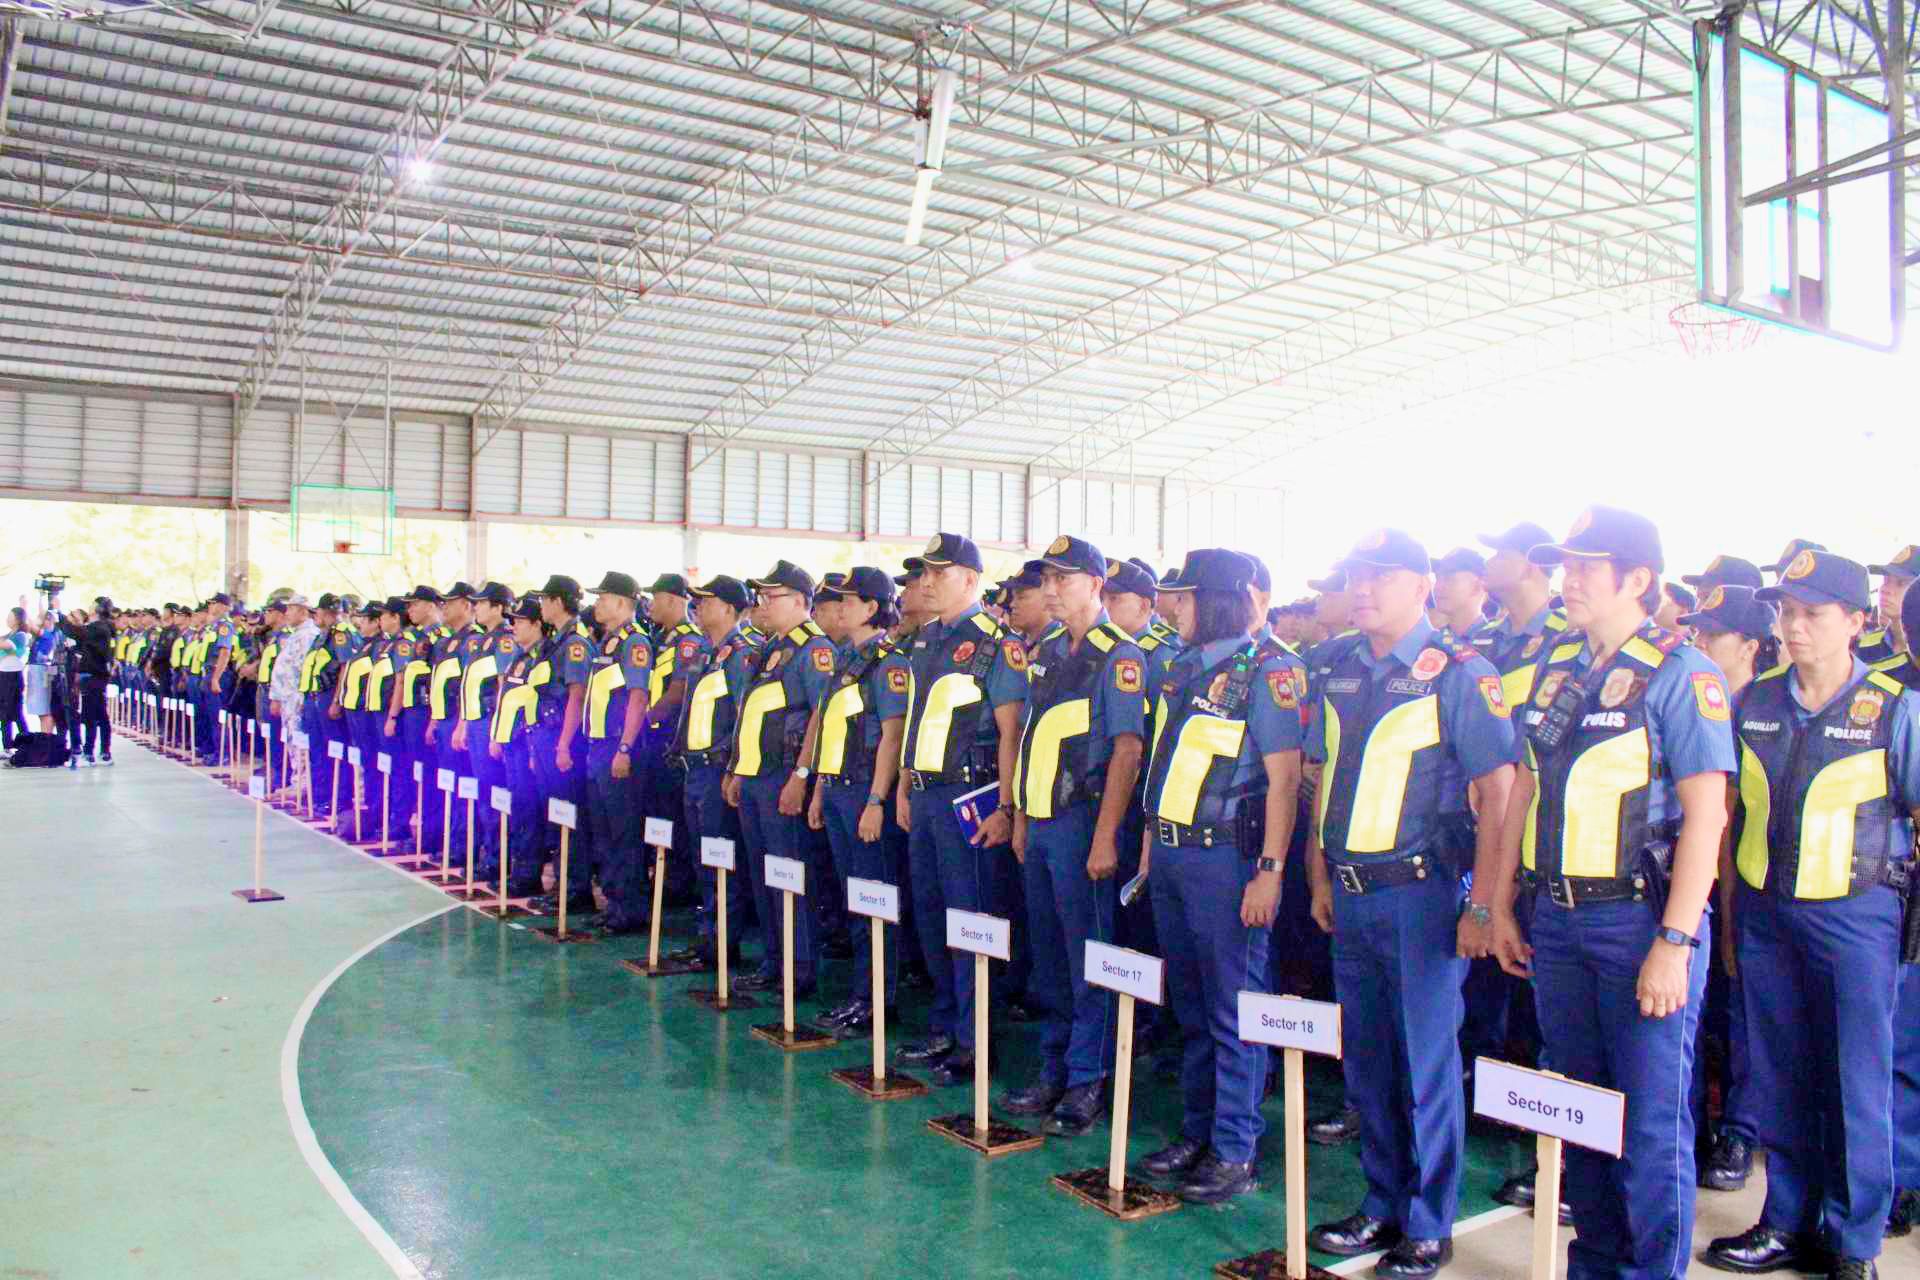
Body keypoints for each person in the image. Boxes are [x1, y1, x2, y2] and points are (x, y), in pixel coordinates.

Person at [1492, 507, 1735, 1280]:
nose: (1568, 580)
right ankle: (1594, 1264)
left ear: (1637, 580)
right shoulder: (1561, 667)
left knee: (1651, 1125)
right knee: (1584, 1111)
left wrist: (1675, 943)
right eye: (1565, 566)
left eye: (1586, 568)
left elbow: (1708, 817)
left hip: (1639, 924)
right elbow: (1524, 788)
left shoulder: (1681, 673)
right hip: (1557, 921)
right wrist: (1499, 902)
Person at [1301, 531, 1515, 1278]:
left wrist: (1483, 905)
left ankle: (1428, 1221)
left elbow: (1499, 794)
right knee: (1367, 1062)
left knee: (1425, 1064)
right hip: (1351, 893)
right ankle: (1381, 1200)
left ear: (1423, 586)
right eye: (1356, 576)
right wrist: (1319, 876)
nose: (1363, 589)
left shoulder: (1459, 672)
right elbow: (1324, 777)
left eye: (1382, 577)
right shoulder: (1340, 667)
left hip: (1421, 896)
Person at [1702, 551, 1919, 1280]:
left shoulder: (1894, 707)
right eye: (1787, 613)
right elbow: (1730, 816)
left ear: (1856, 621)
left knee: (1856, 1081)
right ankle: (1786, 1221)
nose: (1794, 628)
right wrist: (1731, 921)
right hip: (1765, 913)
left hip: (1858, 919)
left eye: (1813, 614)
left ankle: (1853, 1244)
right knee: (1780, 1072)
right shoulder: (1755, 702)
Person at [1131, 548, 1303, 1204]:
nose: (1173, 608)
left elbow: (1284, 781)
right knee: (1193, 1004)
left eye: (1185, 597)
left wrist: (1270, 872)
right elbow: (1165, 763)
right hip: (1174, 854)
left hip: (1228, 861)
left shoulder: (1269, 671)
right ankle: (1198, 1130)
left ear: (1219, 601)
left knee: (1234, 1008)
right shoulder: (1182, 666)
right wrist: (1151, 846)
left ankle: (1234, 1148)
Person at [998, 536, 1145, 1138]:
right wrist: (1021, 817)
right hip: (1041, 821)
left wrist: (1106, 837)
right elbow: (1032, 737)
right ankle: (1053, 1065)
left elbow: (1127, 752)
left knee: (1089, 954)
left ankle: (1088, 1078)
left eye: (1063, 579)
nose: (1051, 590)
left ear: (1095, 585)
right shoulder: (1051, 650)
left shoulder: (1120, 656)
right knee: (1052, 954)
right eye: (1046, 580)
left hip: (1084, 823)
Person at [892, 533, 1028, 1088]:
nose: (926, 583)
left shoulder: (997, 644)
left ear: (970, 580)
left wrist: (1007, 806)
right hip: (924, 795)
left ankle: (976, 1041)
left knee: (970, 918)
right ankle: (946, 1023)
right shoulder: (926, 640)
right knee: (931, 913)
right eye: (924, 573)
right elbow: (916, 719)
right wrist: (903, 786)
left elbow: (1012, 733)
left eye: (939, 573)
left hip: (968, 798)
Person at [1675, 585, 1778, 1196]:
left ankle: (1740, 1131)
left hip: (1745, 881)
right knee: (1688, 1012)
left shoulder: (1767, 707)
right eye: (1698, 631)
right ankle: (1689, 1130)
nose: (1701, 643)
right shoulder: (1686, 697)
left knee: (1745, 1015)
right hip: (1688, 879)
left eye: (1714, 635)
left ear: (1750, 646)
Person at [723, 562, 835, 996]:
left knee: (791, 874)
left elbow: (821, 718)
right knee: (764, 873)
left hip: (783, 777)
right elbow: (750, 715)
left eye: (772, 596)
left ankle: (799, 966)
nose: (763, 604)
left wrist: (801, 776)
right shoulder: (772, 648)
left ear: (800, 601)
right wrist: (738, 768)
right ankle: (774, 960)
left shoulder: (814, 649)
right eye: (761, 597)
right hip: (756, 776)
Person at [806, 567, 910, 1038]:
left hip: (865, 792)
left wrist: (875, 800)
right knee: (855, 898)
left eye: (848, 601)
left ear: (872, 607)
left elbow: (892, 736)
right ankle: (861, 994)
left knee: (874, 899)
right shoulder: (847, 658)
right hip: (838, 790)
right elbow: (830, 730)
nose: (839, 608)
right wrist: (819, 789)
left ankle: (877, 1001)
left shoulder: (888, 663)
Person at [674, 575, 758, 968]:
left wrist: (733, 766)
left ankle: (723, 942)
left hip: (717, 769)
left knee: (721, 857)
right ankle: (708, 935)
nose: (698, 607)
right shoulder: (708, 653)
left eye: (706, 601)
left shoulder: (740, 655)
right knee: (702, 858)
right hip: (695, 768)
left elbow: (743, 715)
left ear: (727, 608)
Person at [581, 571, 653, 934]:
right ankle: (613, 903)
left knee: (623, 832)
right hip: (598, 747)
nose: (597, 604)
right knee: (604, 830)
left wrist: (625, 748)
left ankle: (630, 909)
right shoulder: (608, 642)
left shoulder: (634, 643)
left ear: (622, 602)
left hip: (617, 747)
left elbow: (639, 697)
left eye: (603, 597)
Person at [529, 576, 595, 916]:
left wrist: (565, 744)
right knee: (555, 814)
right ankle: (562, 884)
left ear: (558, 601)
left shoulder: (575, 643)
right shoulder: (556, 641)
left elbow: (576, 695)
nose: (541, 606)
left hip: (562, 736)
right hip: (546, 734)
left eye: (545, 599)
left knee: (569, 814)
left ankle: (576, 888)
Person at [59, 598, 117, 765]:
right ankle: (99, 751)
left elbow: (76, 632)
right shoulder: (99, 627)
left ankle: (93, 752)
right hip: (91, 675)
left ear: (98, 608)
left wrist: (59, 616)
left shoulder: (99, 628)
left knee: (94, 714)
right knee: (96, 713)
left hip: (95, 675)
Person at [1431, 548, 1492, 639]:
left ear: (1477, 587)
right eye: (1437, 578)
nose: (1437, 587)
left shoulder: (1499, 642)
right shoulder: (1432, 642)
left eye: (1449, 579)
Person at [1, 607, 29, 749]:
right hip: (3, 675)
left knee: (16, 712)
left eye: (10, 616)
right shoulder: (7, 635)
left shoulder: (21, 635)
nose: (7, 618)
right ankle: (7, 745)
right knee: (4, 712)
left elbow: (8, 647)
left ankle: (27, 742)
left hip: (13, 677)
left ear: (18, 619)